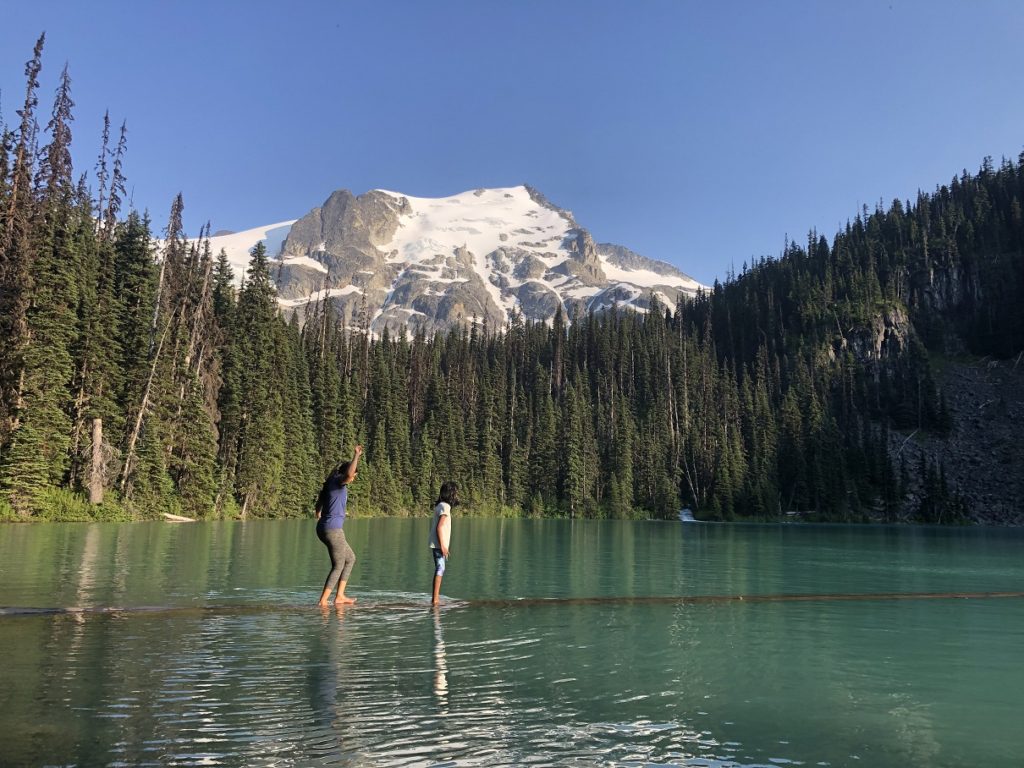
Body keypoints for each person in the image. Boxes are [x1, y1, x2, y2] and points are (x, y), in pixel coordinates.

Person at [315, 445, 362, 606]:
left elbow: (320, 503)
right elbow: (349, 474)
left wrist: (319, 512)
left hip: (325, 527)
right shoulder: (339, 481)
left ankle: (340, 595)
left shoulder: (330, 483)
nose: (353, 478)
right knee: (339, 564)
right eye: (354, 475)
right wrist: (356, 456)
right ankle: (323, 601)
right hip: (332, 529)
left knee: (350, 558)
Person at [429, 481, 458, 605]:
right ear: (450, 494)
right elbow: (439, 527)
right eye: (455, 493)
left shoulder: (441, 505)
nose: (456, 496)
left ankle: (435, 599)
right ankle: (435, 600)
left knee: (440, 568)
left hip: (436, 543)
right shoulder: (445, 507)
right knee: (440, 568)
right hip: (438, 544)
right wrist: (443, 546)